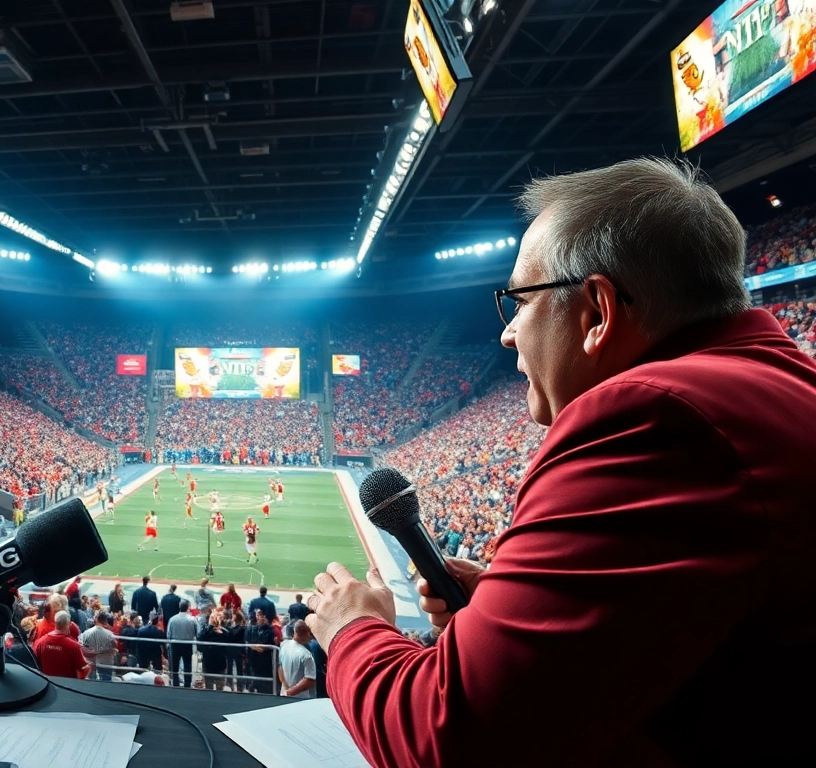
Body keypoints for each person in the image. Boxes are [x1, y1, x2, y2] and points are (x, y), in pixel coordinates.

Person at [307, 158, 816, 765]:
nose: (507, 333)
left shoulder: (649, 415)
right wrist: (516, 609)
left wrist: (352, 630)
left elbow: (450, 741)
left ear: (598, 312)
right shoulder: (775, 385)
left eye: (519, 301)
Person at [33, 611, 89, 679]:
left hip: (48, 684)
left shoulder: (41, 642)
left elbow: (34, 663)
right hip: (67, 686)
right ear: (69, 624)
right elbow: (84, 668)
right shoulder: (73, 646)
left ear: (55, 622)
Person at [277, 620, 317, 698]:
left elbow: (280, 668)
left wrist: (286, 688)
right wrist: (291, 692)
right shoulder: (306, 655)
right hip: (302, 699)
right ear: (306, 633)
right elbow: (310, 680)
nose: (311, 637)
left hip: (284, 694)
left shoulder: (284, 645)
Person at [165, 599, 196, 689]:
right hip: (187, 644)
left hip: (175, 645)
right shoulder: (192, 620)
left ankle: (175, 684)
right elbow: (196, 633)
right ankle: (187, 684)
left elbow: (168, 634)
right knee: (187, 665)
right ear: (188, 608)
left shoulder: (172, 619)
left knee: (175, 666)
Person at [79, 610, 117, 682]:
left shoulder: (86, 633)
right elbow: (114, 645)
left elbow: (81, 648)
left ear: (96, 619)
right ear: (105, 620)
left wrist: (92, 653)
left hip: (91, 663)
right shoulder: (110, 635)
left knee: (89, 684)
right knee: (106, 684)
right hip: (106, 663)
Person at [244, 609, 276, 695]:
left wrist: (262, 647)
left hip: (264, 661)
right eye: (257, 615)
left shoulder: (269, 629)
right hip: (253, 660)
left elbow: (269, 643)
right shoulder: (252, 628)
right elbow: (248, 641)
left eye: (261, 615)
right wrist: (254, 646)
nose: (259, 618)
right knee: (253, 681)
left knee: (264, 685)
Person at [197, 611, 230, 691]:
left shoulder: (208, 631)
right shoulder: (224, 632)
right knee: (215, 687)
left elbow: (200, 643)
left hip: (213, 662)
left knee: (213, 686)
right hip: (215, 662)